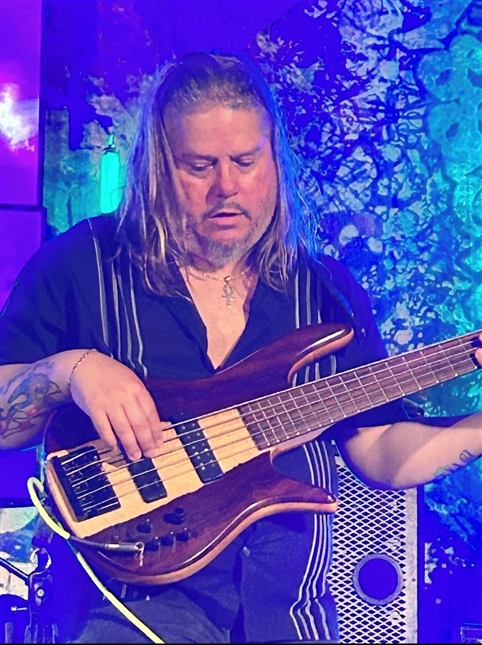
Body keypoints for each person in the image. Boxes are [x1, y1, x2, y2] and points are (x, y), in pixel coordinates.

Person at [0, 52, 481, 644]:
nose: (225, 187)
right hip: (122, 616)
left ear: (274, 161)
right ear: (156, 167)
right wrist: (71, 370)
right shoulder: (83, 266)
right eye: (199, 166)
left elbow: (379, 448)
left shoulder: (323, 291)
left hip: (290, 619)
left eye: (246, 162)